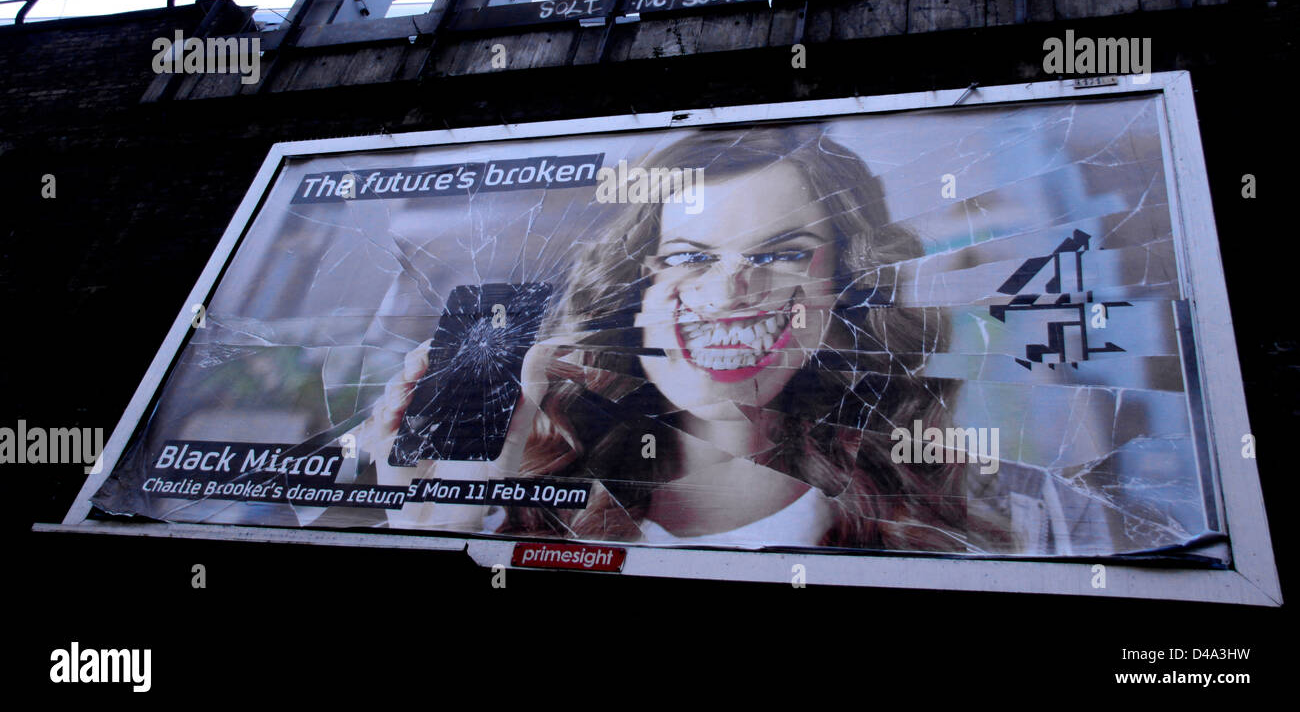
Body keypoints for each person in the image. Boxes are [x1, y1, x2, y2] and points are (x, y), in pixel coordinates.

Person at [351, 126, 1013, 553]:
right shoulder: (523, 505)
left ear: (843, 286)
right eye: (692, 258)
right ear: (639, 288)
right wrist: (439, 528)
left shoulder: (954, 533)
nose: (730, 292)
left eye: (781, 252)